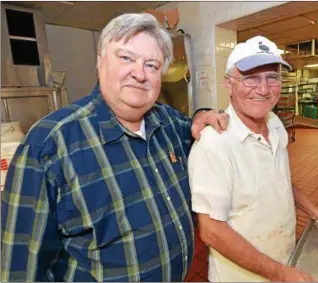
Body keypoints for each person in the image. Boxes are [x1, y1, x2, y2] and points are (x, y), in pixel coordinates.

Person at [1, 13, 229, 282]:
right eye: (126, 58)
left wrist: (204, 113)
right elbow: (19, 268)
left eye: (152, 65)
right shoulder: (51, 144)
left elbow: (196, 125)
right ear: (100, 61)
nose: (139, 73)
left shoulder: (168, 122)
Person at [188, 36, 318, 282]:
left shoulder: (274, 125)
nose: (263, 90)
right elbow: (212, 232)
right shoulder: (215, 143)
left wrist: (314, 211)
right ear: (229, 84)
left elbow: (280, 180)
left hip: (283, 259)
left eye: (272, 77)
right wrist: (282, 274)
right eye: (251, 77)